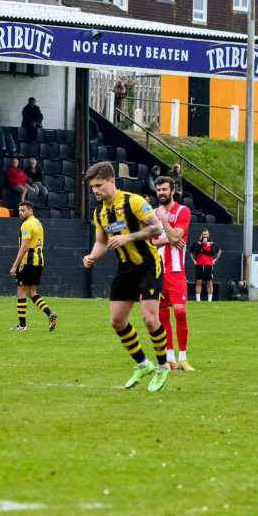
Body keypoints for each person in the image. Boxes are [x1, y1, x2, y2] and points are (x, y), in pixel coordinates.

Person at [82, 161, 170, 392]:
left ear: (112, 181)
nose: (95, 191)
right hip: (125, 269)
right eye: (92, 187)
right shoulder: (100, 211)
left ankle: (163, 366)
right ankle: (143, 364)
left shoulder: (134, 201)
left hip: (149, 266)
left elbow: (156, 229)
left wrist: (128, 237)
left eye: (99, 185)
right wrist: (91, 257)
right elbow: (101, 243)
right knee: (117, 321)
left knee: (150, 319)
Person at [151, 176, 193, 371]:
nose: (161, 193)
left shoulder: (183, 211)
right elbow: (150, 242)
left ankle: (183, 358)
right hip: (158, 271)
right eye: (159, 190)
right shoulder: (151, 213)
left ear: (172, 191)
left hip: (176, 271)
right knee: (162, 315)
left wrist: (163, 219)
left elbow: (178, 236)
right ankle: (169, 359)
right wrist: (169, 240)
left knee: (180, 312)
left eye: (164, 189)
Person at [8, 201, 57, 332]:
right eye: (19, 210)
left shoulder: (26, 225)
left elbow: (24, 247)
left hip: (27, 261)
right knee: (32, 292)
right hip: (39, 261)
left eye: (23, 210)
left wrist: (14, 266)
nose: (20, 212)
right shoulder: (38, 223)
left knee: (21, 293)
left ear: (31, 211)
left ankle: (22, 326)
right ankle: (50, 314)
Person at [188, 229, 221, 301]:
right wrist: (193, 260)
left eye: (206, 234)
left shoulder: (212, 243)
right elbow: (193, 251)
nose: (205, 236)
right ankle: (198, 299)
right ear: (201, 235)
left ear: (208, 235)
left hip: (208, 265)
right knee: (198, 282)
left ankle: (209, 299)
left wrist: (215, 260)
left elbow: (212, 253)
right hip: (199, 265)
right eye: (204, 234)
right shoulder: (197, 243)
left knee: (209, 282)